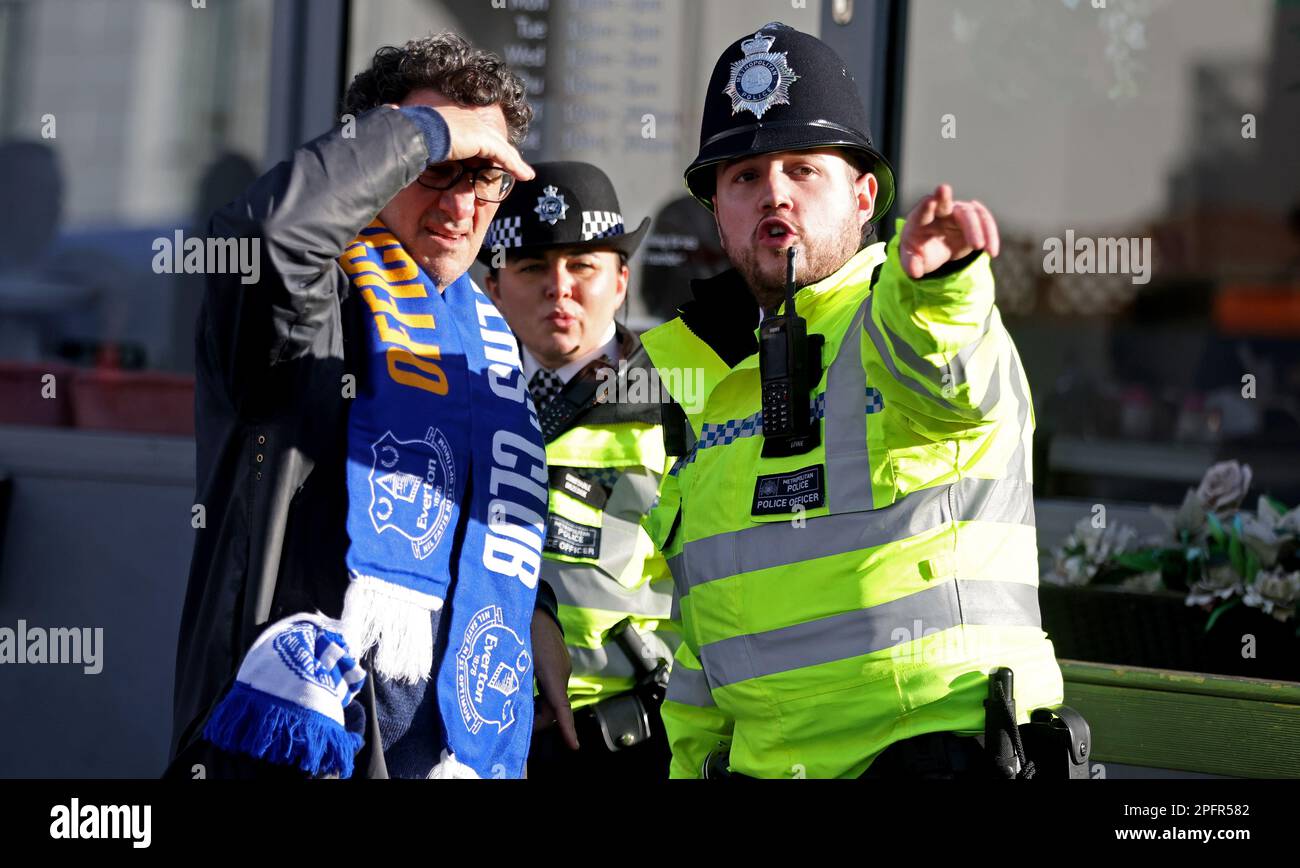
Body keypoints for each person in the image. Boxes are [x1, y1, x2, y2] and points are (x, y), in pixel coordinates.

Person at [641, 22, 1065, 779]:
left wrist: (939, 285)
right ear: (718, 214)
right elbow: (705, 639)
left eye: (804, 169)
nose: (774, 191)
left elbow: (951, 367)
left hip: (937, 759)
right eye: (744, 176)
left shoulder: (899, 322)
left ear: (864, 196)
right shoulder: (695, 381)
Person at [167, 33, 576, 780]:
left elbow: (463, 500)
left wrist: (533, 608)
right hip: (298, 741)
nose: (459, 204)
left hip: (442, 753)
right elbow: (267, 238)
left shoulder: (483, 332)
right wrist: (424, 130)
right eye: (433, 169)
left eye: (485, 177)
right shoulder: (305, 304)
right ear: (380, 154)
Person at [481, 162, 679, 779]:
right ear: (493, 286)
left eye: (583, 266)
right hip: (483, 734)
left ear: (621, 281)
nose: (558, 288)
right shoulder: (458, 403)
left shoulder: (681, 405)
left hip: (634, 745)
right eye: (534, 267)